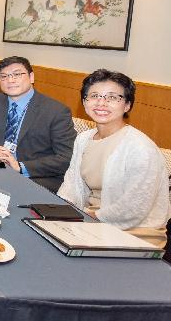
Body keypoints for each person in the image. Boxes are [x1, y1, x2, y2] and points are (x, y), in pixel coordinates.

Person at [58, 69, 170, 248]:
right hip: (89, 221)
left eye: (112, 97)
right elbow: (71, 184)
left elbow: (134, 208)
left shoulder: (140, 148)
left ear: (127, 105)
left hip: (134, 232)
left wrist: (87, 218)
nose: (101, 103)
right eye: (94, 95)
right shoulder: (84, 138)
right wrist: (60, 212)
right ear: (84, 102)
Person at [0, 56, 76, 193]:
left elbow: (66, 158)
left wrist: (19, 167)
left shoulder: (56, 111)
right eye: (4, 76)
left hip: (35, 178)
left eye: (17, 74)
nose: (10, 80)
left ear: (31, 77)